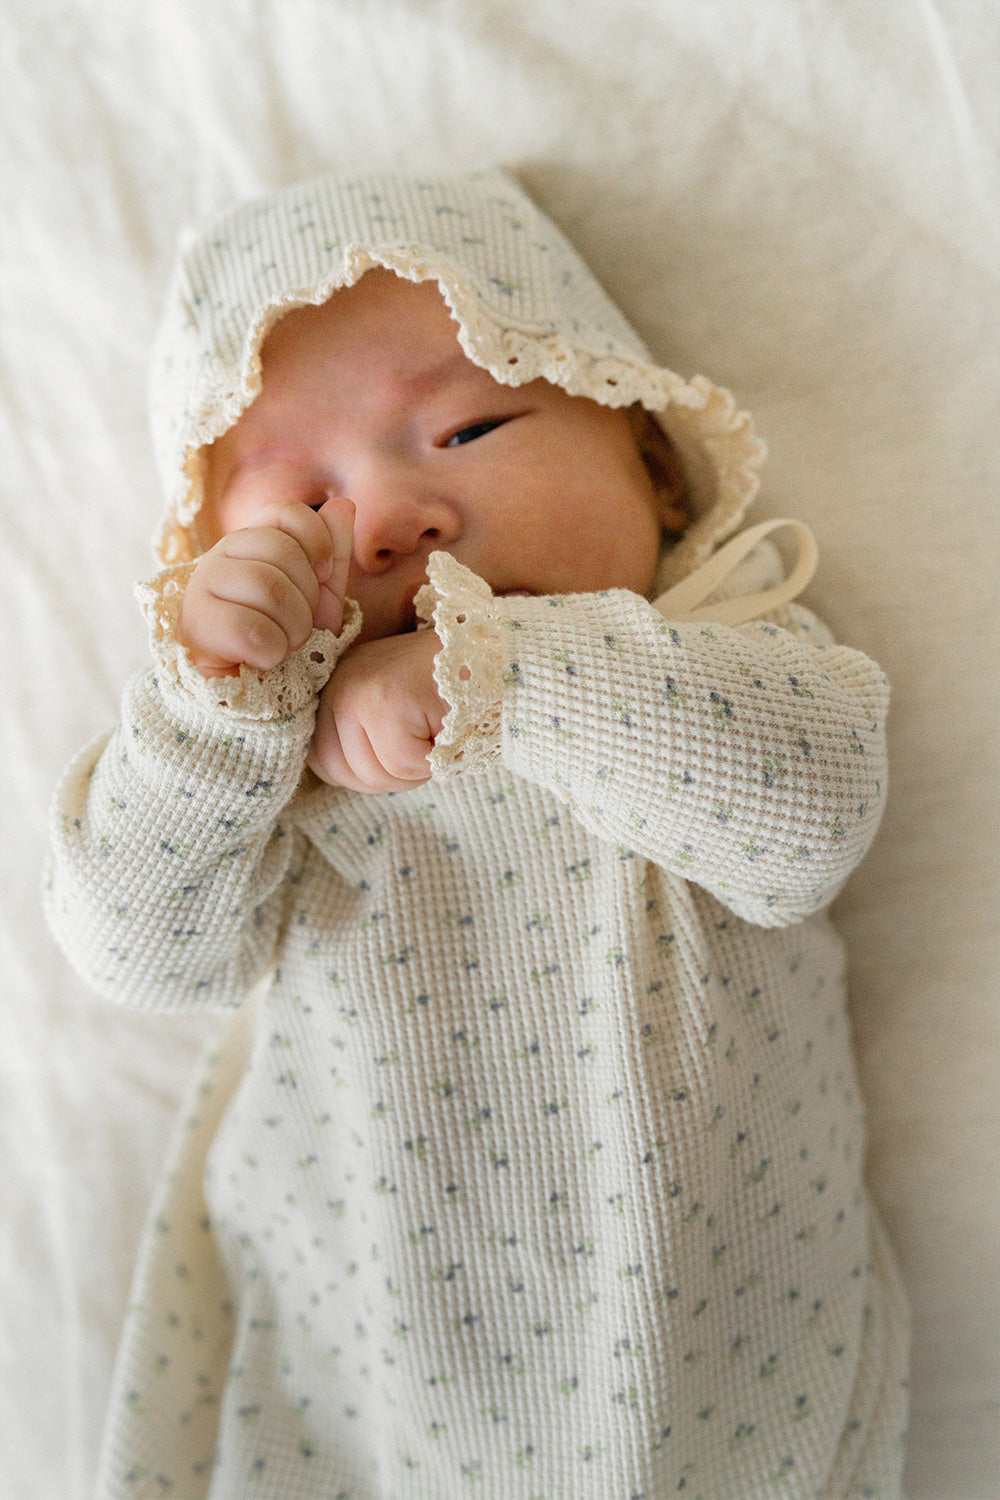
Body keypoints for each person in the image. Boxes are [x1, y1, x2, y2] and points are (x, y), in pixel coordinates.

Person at [45, 168, 909, 1499]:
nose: (389, 515)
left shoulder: (721, 653)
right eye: (307, 506)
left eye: (470, 427)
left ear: (655, 468)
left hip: (731, 1414)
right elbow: (137, 954)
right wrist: (216, 715)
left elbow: (809, 824)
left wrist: (498, 674)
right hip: (360, 1413)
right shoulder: (265, 781)